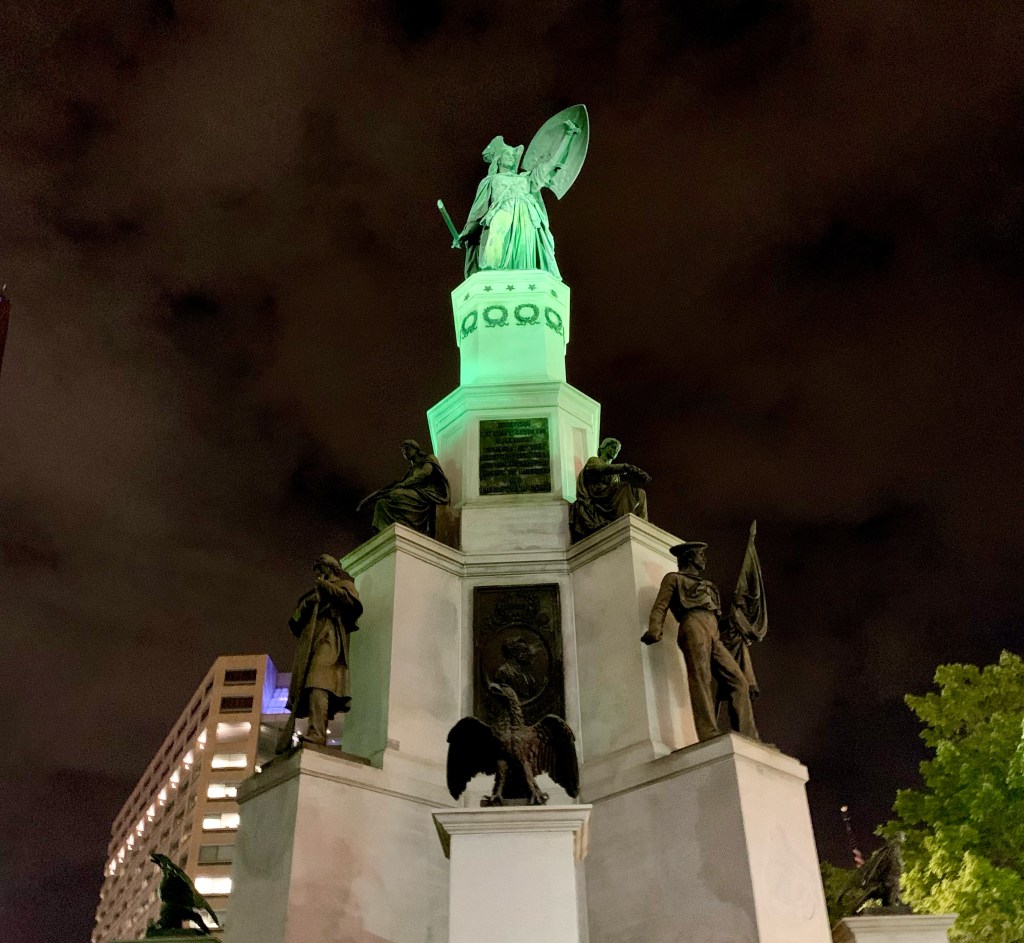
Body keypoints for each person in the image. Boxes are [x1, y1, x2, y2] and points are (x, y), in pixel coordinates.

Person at [641, 541, 759, 742]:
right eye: (700, 554)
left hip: (713, 632)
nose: (704, 558)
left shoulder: (709, 586)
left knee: (739, 682)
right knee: (701, 678)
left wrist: (736, 622)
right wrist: (655, 629)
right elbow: (660, 606)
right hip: (692, 625)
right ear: (689, 557)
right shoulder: (674, 579)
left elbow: (715, 618)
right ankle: (708, 731)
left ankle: (748, 736)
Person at [454, 119, 581, 279]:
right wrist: (466, 233)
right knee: (496, 233)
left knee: (524, 248)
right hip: (503, 210)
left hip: (527, 216)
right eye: (507, 154)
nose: (511, 157)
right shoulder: (491, 181)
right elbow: (478, 211)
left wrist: (568, 135)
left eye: (512, 155)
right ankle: (491, 274)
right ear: (498, 159)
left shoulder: (526, 178)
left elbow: (551, 163)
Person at [276, 553, 363, 753]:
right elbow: (294, 622)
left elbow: (352, 604)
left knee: (318, 682)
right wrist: (307, 605)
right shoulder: (311, 594)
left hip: (329, 636)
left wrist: (327, 588)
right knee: (308, 685)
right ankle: (314, 731)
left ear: (329, 567)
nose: (316, 572)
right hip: (310, 640)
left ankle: (317, 733)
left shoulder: (345, 585)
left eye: (319, 568)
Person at [356, 439, 451, 538]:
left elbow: (424, 473)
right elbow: (396, 485)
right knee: (381, 504)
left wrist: (404, 483)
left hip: (427, 494)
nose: (404, 452)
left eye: (407, 448)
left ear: (415, 449)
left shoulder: (428, 459)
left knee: (396, 494)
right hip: (415, 492)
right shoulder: (411, 470)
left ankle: (409, 523)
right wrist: (370, 499)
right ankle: (385, 533)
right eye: (402, 451)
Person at [569, 437, 651, 541]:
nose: (615, 450)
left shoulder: (616, 475)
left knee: (641, 493)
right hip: (598, 494)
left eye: (617, 449)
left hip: (609, 497)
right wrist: (625, 467)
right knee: (624, 487)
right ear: (603, 448)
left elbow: (614, 486)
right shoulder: (594, 460)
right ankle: (623, 521)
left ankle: (642, 525)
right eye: (613, 447)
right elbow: (601, 469)